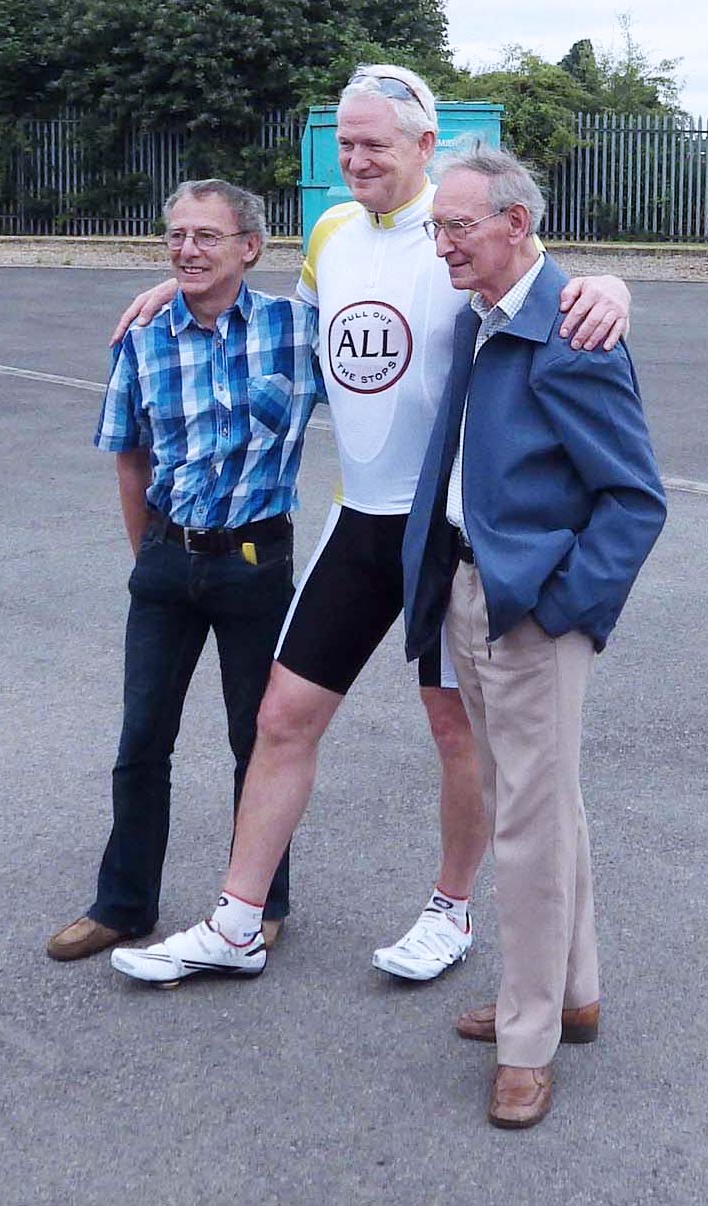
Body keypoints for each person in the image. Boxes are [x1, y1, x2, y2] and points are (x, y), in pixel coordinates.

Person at [107, 64, 633, 989]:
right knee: (283, 717)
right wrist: (181, 288)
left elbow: (541, 284)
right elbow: (289, 330)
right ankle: (237, 922)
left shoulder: (456, 228)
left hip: (443, 533)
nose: (355, 158)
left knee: (455, 734)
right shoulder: (330, 233)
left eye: (374, 143)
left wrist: (614, 283)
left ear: (425, 144)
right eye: (344, 143)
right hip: (359, 520)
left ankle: (449, 911)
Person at [401, 146, 666, 1127]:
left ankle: (526, 1041)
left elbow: (634, 499)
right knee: (542, 810)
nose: (442, 245)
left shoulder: (570, 331)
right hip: (469, 593)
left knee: (524, 827)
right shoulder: (479, 315)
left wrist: (562, 611)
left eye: (457, 227)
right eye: (436, 228)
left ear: (516, 224)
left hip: (529, 612)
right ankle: (572, 994)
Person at [46, 179, 325, 961]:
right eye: (177, 236)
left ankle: (260, 902)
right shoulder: (142, 340)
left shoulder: (297, 329)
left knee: (258, 739)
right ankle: (123, 904)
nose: (188, 249)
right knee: (142, 738)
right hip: (168, 563)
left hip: (256, 563)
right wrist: (153, 561)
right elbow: (130, 459)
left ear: (250, 247)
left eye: (207, 236)